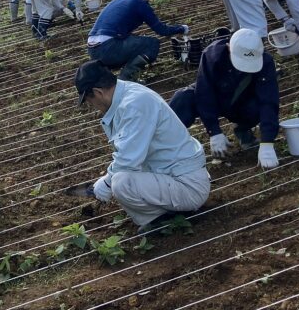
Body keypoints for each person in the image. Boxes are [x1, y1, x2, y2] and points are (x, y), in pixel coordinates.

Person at [74, 61, 210, 228]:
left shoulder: (135, 104)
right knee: (121, 179)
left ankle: (163, 220)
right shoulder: (125, 95)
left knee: (122, 183)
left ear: (98, 92)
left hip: (187, 185)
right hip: (169, 175)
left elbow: (128, 160)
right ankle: (167, 212)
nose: (92, 106)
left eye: (89, 101)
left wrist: (107, 183)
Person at [168, 29, 282, 169]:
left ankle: (243, 130)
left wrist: (267, 142)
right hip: (217, 96)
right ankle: (167, 144)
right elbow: (205, 93)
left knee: (257, 106)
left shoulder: (266, 62)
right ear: (229, 49)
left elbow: (269, 101)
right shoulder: (212, 55)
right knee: (183, 98)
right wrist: (214, 131)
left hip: (242, 100)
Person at [87, 0, 189, 81]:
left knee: (133, 43)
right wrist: (182, 29)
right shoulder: (139, 3)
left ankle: (110, 80)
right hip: (109, 48)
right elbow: (162, 30)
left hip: (93, 50)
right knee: (152, 44)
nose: (148, 1)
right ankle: (126, 79)